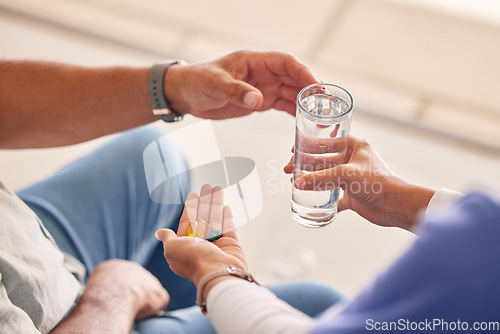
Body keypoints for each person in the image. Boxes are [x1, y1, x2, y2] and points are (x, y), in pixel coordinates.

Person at [0, 51, 342, 333]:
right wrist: (116, 293)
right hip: (71, 318)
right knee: (320, 307)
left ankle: (190, 305)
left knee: (157, 158)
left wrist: (175, 86)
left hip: (25, 251)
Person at [156, 135, 500, 334]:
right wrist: (404, 199)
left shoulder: (471, 262)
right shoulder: (478, 245)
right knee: (317, 297)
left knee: (147, 151)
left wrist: (217, 275)